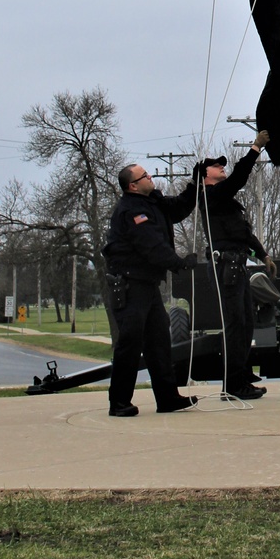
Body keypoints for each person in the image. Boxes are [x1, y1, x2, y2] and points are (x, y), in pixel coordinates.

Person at [102, 162, 200, 417]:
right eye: (144, 175)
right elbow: (152, 246)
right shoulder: (131, 211)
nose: (150, 177)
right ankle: (119, 402)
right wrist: (179, 263)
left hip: (148, 286)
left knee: (159, 343)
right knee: (130, 345)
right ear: (133, 185)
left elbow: (177, 208)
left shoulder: (152, 202)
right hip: (130, 285)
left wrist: (194, 184)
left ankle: (168, 399)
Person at [195, 129, 276, 400]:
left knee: (245, 323)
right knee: (234, 325)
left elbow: (243, 233)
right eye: (216, 166)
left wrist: (262, 254)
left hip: (237, 265)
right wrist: (255, 149)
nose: (221, 168)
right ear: (205, 176)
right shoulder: (210, 196)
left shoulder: (224, 200)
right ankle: (232, 386)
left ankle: (241, 377)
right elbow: (239, 178)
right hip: (224, 266)